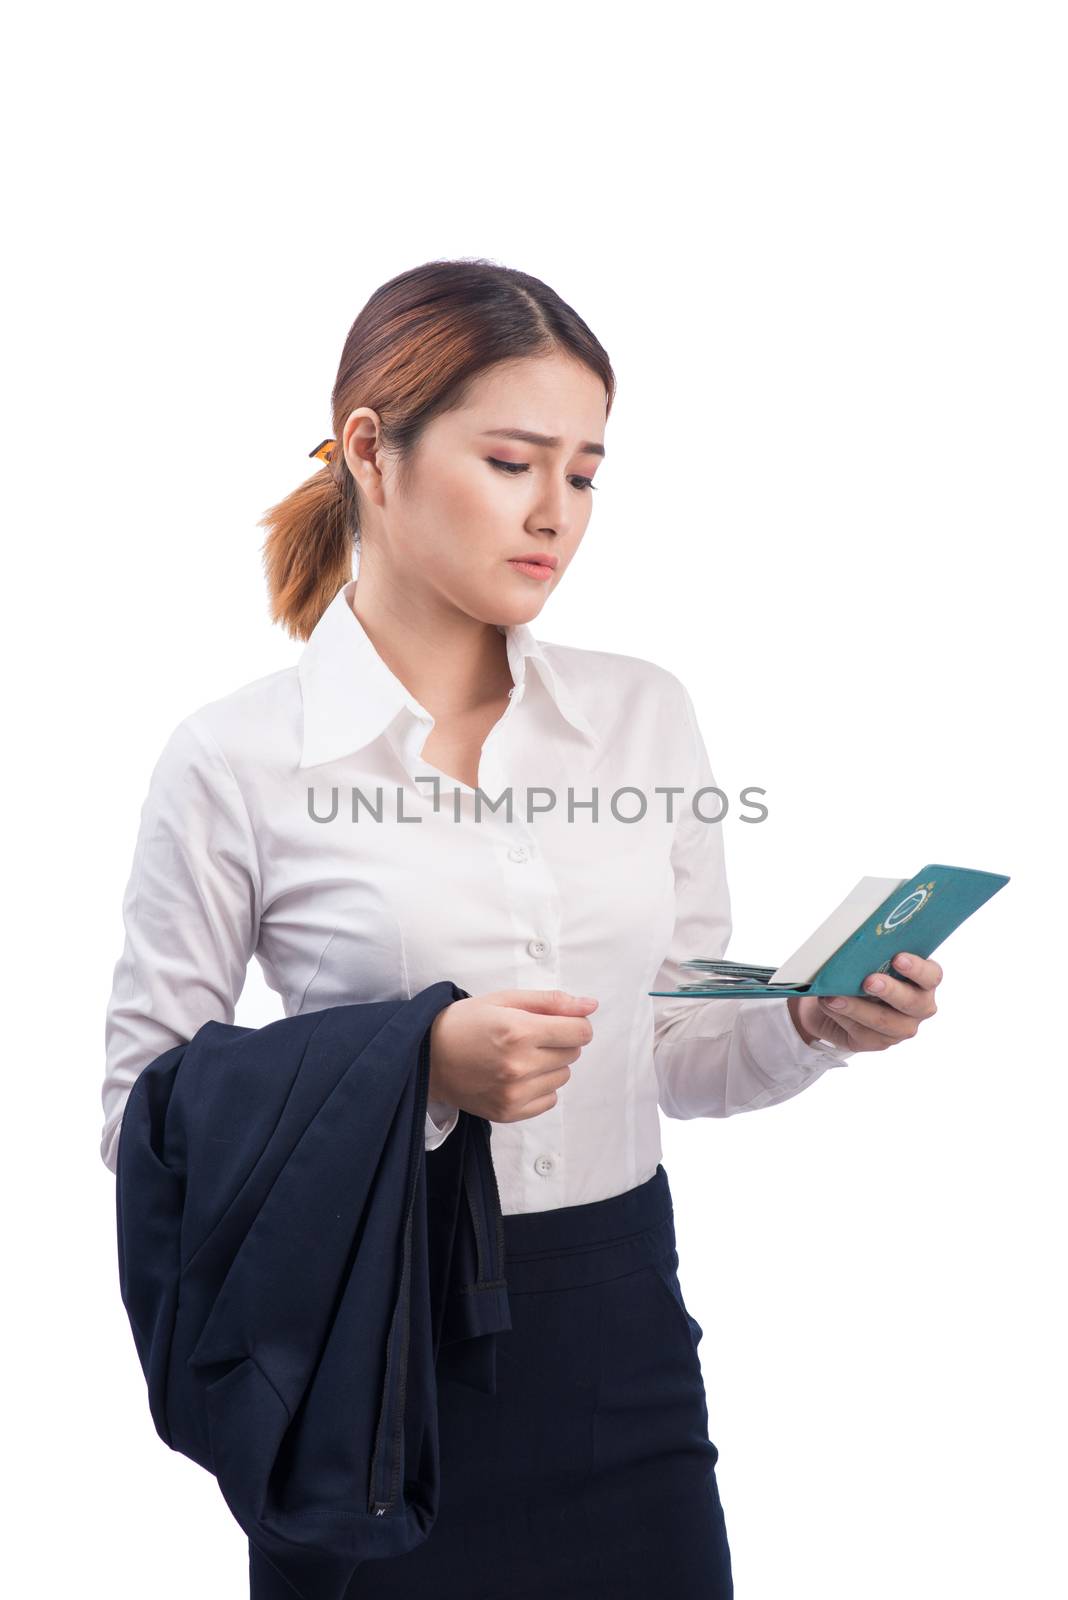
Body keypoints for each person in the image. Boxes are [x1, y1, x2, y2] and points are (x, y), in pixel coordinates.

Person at [100, 258, 943, 1599]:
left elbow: (669, 1044)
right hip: (362, 1361)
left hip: (623, 1344)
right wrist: (416, 1071)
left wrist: (803, 1022)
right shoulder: (234, 759)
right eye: (512, 461)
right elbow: (145, 1115)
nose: (558, 513)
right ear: (373, 450)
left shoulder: (644, 716)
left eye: (588, 473)